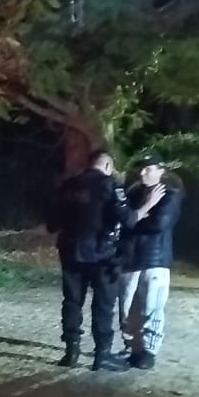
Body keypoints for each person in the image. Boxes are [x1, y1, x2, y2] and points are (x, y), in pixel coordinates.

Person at [47, 148, 129, 371]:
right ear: (107, 166)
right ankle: (101, 354)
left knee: (72, 301)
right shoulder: (112, 185)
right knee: (103, 304)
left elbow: (52, 222)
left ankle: (71, 352)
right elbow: (127, 219)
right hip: (103, 254)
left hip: (71, 251)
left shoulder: (69, 185)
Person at [115, 153, 178, 370]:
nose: (143, 172)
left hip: (154, 259)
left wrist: (136, 217)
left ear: (161, 171)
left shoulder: (170, 195)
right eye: (142, 168)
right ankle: (133, 348)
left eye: (148, 168)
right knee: (127, 308)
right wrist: (141, 213)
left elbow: (158, 224)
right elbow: (122, 221)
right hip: (130, 259)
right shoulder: (132, 193)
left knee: (152, 307)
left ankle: (149, 351)